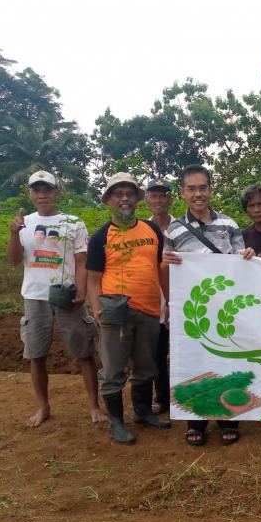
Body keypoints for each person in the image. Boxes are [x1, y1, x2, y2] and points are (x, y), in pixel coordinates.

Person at [162, 164, 255, 447]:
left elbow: (242, 262)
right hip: (192, 310)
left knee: (227, 359)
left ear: (210, 189)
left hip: (225, 308)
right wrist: (167, 263)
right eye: (191, 189)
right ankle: (196, 422)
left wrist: (248, 255)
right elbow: (166, 268)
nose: (198, 194)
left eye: (203, 187)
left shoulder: (229, 225)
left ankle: (228, 419)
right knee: (193, 360)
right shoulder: (174, 230)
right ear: (183, 192)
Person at [7, 170, 105, 428]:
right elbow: (15, 260)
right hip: (34, 296)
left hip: (68, 295)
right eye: (37, 190)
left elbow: (82, 261)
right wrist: (13, 234)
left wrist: (82, 292)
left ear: (56, 192)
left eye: (47, 190)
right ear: (30, 194)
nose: (42, 195)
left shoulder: (73, 223)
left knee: (84, 351)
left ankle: (94, 407)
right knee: (36, 354)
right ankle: (43, 407)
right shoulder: (24, 223)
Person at [87, 172, 172, 445]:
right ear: (109, 199)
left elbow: (160, 268)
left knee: (146, 366)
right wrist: (96, 310)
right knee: (113, 370)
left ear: (137, 198)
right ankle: (116, 422)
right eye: (118, 193)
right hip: (116, 312)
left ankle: (143, 412)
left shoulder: (151, 230)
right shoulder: (101, 236)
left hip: (149, 309)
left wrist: (167, 301)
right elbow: (93, 279)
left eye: (129, 193)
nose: (124, 197)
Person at [146, 178, 174, 417]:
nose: (158, 200)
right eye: (153, 195)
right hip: (154, 298)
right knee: (157, 351)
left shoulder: (183, 227)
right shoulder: (142, 229)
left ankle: (185, 393)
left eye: (162, 195)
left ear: (170, 199)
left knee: (184, 349)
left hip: (184, 297)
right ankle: (162, 397)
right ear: (146, 200)